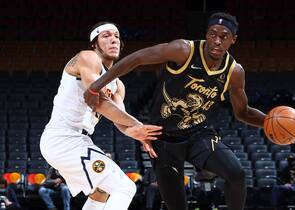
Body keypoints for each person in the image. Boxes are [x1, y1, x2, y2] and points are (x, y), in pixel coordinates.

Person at [84, 12, 266, 210]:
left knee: (236, 173)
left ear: (233, 40)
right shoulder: (184, 50)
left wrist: (269, 123)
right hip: (163, 138)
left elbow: (243, 112)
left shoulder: (234, 72)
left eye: (224, 37)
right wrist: (96, 86)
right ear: (206, 34)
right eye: (212, 34)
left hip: (198, 135)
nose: (217, 41)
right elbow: (138, 58)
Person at [40, 22, 162, 210]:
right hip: (63, 138)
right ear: (94, 44)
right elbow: (98, 102)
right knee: (125, 187)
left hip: (78, 141)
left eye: (116, 36)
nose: (113, 39)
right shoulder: (88, 58)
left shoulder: (118, 85)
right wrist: (138, 123)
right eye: (105, 36)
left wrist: (138, 133)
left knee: (102, 191)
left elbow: (119, 121)